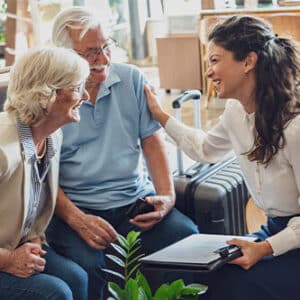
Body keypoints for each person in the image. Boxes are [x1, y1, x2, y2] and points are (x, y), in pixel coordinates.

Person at [46, 7, 199, 300]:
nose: (103, 59)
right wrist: (78, 219)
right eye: (90, 52)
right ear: (63, 55)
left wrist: (167, 196)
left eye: (106, 47)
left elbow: (152, 142)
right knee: (91, 267)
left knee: (186, 236)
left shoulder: (131, 79)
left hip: (133, 203)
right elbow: (42, 175)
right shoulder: (49, 98)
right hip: (77, 210)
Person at [145, 15, 300, 300]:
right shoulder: (235, 112)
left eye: (215, 60)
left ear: (248, 62)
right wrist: (160, 116)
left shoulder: (295, 128)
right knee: (211, 276)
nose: (209, 72)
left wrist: (265, 248)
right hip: (276, 230)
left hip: (293, 239)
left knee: (235, 286)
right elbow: (206, 149)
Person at [0, 47, 90, 299]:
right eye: (76, 88)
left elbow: (32, 212)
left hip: (19, 245)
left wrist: (33, 240)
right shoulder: (2, 149)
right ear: (45, 94)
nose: (85, 96)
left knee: (77, 277)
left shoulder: (52, 137)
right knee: (54, 293)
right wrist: (7, 260)